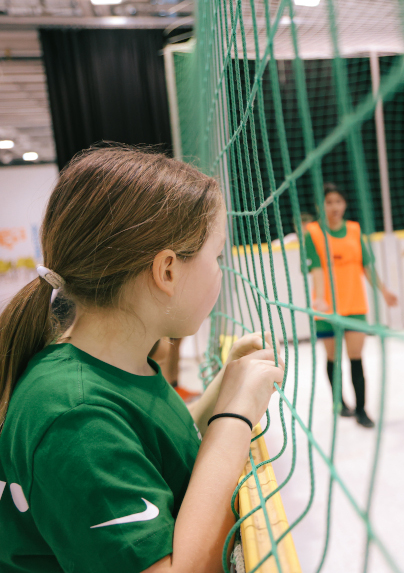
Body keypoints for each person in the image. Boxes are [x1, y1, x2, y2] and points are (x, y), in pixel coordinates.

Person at [0, 147, 283, 573]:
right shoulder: (75, 418)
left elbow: (149, 442)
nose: (221, 272)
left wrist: (222, 394)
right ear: (167, 270)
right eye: (217, 256)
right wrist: (235, 416)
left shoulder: (117, 365)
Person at [305, 182, 398, 429]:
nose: (334, 207)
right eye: (328, 202)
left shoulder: (355, 230)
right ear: (319, 206)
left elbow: (366, 265)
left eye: (338, 201)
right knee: (333, 358)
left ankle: (361, 409)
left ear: (345, 204)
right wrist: (320, 298)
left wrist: (384, 291)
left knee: (356, 358)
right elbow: (315, 268)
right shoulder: (313, 233)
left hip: (355, 305)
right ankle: (339, 402)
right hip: (326, 309)